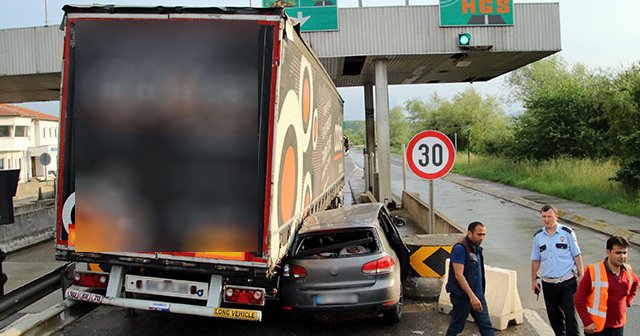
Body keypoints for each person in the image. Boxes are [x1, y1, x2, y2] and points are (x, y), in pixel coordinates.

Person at [531, 204, 584, 336]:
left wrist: (581, 276)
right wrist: (534, 280)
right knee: (555, 318)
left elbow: (577, 255)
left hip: (567, 281)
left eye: (549, 216)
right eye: (543, 216)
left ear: (556, 217)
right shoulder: (538, 237)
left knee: (570, 316)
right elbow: (536, 260)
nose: (546, 219)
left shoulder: (567, 233)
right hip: (548, 283)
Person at [575, 236, 639, 335]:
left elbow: (635, 283)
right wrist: (587, 322)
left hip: (618, 327)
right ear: (608, 252)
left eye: (624, 253)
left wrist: (628, 301)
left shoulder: (628, 270)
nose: (622, 256)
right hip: (597, 328)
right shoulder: (593, 271)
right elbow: (579, 298)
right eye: (618, 253)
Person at [445, 221, 494, 336]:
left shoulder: (476, 249)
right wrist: (471, 296)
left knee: (486, 327)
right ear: (470, 234)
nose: (482, 238)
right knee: (457, 326)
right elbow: (458, 275)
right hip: (463, 297)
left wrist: (477, 295)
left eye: (483, 235)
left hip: (478, 295)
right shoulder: (460, 249)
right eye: (479, 234)